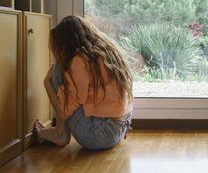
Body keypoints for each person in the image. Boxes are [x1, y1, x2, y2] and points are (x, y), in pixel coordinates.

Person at [33, 15, 134, 150]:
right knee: (70, 83)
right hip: (119, 129)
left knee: (58, 70)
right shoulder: (106, 50)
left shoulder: (79, 61)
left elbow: (64, 114)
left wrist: (46, 83)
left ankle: (59, 134)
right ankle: (58, 131)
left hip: (98, 136)